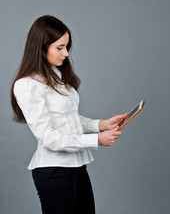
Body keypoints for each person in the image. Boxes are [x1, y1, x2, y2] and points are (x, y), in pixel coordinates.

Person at [11, 15, 127, 214]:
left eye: (67, 47)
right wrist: (96, 140)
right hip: (53, 172)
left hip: (77, 166)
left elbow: (70, 120)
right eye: (60, 47)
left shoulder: (58, 76)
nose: (66, 53)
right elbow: (48, 137)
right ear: (41, 46)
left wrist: (101, 124)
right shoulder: (26, 85)